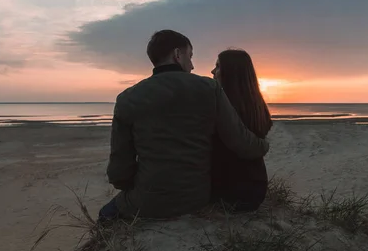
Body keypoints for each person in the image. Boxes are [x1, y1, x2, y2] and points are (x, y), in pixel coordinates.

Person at [99, 30, 270, 222]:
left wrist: (131, 185)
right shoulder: (209, 88)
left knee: (104, 215)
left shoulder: (127, 98)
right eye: (190, 56)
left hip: (146, 201)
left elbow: (119, 170)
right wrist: (264, 145)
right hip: (197, 198)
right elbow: (240, 141)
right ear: (177, 54)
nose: (192, 65)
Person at [210, 49, 273, 212]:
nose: (212, 71)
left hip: (230, 192)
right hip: (256, 189)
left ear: (231, 73)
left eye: (217, 66)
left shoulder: (225, 108)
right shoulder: (257, 107)